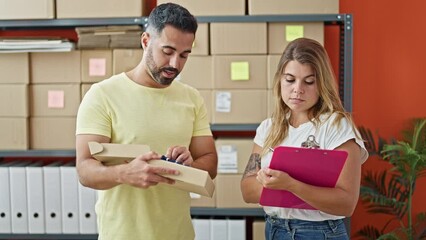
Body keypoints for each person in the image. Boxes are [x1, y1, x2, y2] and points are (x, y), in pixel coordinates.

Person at [75, 3, 217, 240]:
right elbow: (84, 170)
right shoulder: (102, 95)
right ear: (145, 41)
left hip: (179, 234)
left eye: (184, 55)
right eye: (167, 51)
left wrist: (189, 166)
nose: (175, 64)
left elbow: (210, 164)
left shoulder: (191, 97)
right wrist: (125, 173)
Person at [240, 38, 368, 240]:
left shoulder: (337, 127)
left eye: (309, 81)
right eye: (290, 80)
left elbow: (346, 203)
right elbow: (247, 190)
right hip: (274, 229)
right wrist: (272, 184)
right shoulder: (268, 128)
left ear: (322, 84)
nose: (297, 89)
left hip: (319, 232)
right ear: (279, 80)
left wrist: (290, 185)